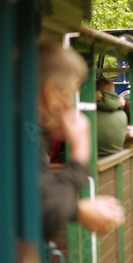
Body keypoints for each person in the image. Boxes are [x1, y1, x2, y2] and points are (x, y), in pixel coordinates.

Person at [38, 41, 125, 239]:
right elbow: (42, 211)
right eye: (69, 95)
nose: (69, 106)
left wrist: (76, 209)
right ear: (51, 93)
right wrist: (79, 155)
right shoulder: (15, 131)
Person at [95, 79, 128, 157]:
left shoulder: (90, 114)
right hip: (117, 161)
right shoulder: (122, 114)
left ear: (97, 93)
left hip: (95, 164)